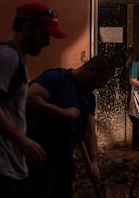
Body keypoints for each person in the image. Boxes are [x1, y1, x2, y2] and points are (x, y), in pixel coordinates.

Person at [0, 1, 67, 198]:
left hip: (5, 162)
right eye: (44, 34)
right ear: (27, 27)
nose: (47, 42)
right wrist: (22, 141)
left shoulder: (15, 57)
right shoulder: (5, 56)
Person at [26, 55, 114, 198]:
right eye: (103, 79)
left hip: (64, 159)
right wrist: (62, 113)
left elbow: (89, 132)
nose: (102, 85)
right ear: (93, 69)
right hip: (39, 155)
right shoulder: (57, 79)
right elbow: (29, 98)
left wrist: (93, 162)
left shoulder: (89, 98)